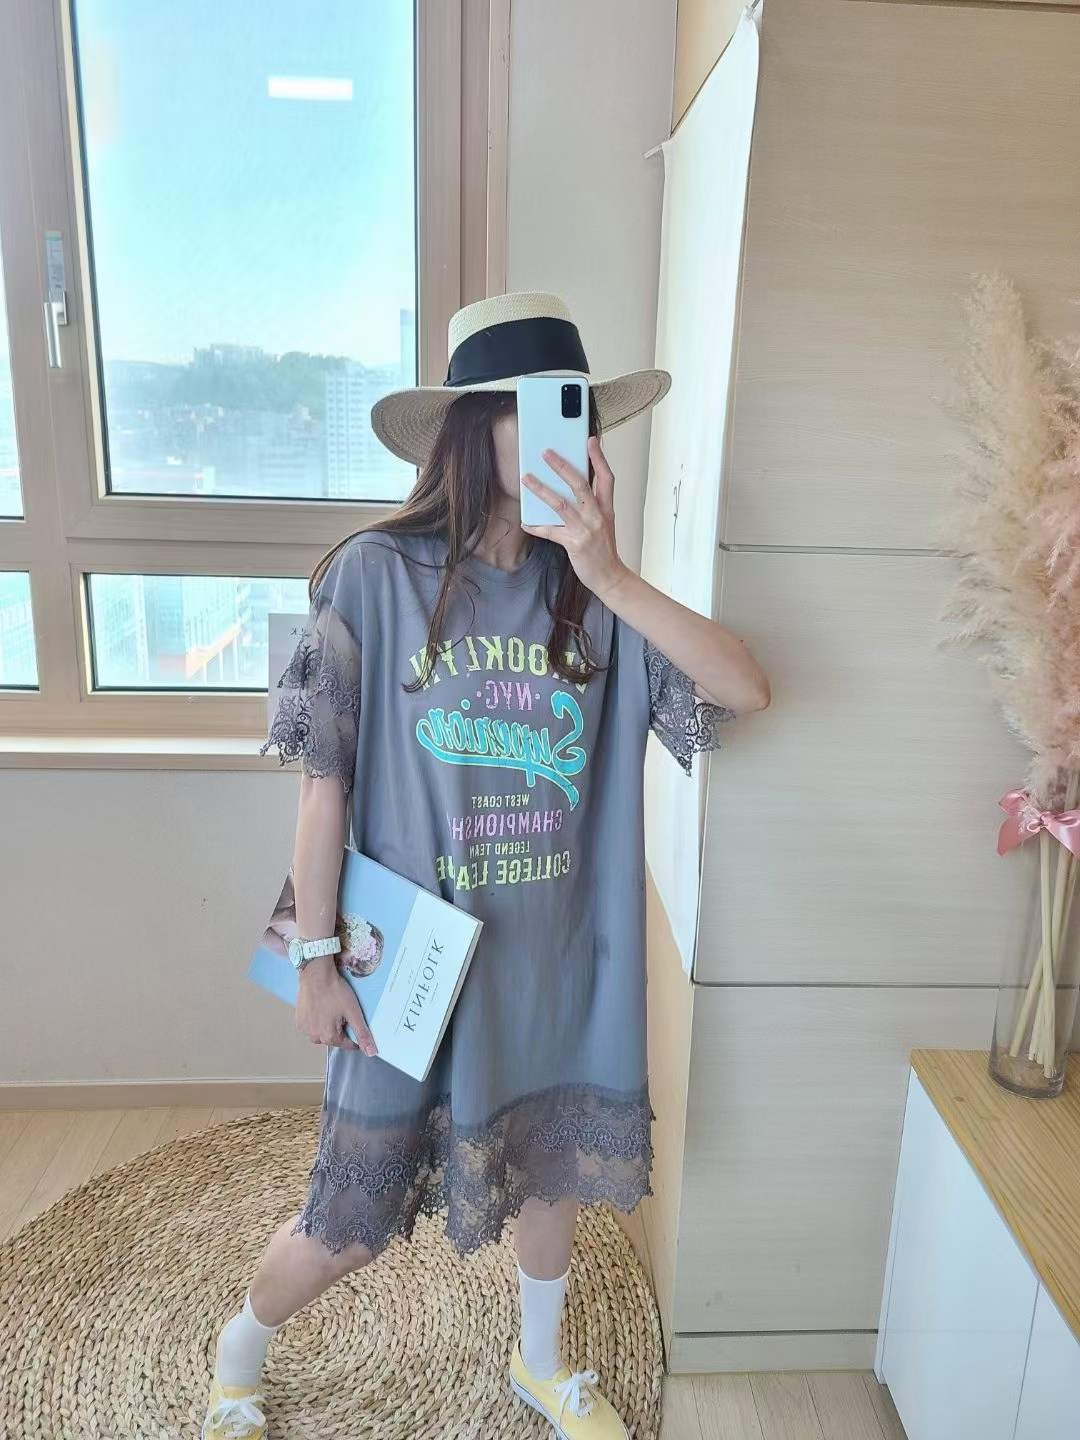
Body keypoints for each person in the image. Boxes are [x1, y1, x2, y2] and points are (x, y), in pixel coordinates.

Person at [202, 292, 770, 1440]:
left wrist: (611, 573)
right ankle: (237, 1351)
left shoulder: (594, 598)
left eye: (578, 411)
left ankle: (540, 1365)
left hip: (555, 959)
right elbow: (325, 791)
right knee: (351, 1219)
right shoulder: (371, 575)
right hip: (415, 965)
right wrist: (315, 962)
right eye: (536, 409)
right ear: (471, 428)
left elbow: (745, 689)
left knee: (550, 1178)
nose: (569, 434)